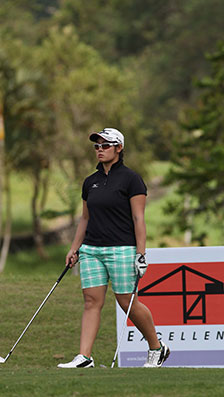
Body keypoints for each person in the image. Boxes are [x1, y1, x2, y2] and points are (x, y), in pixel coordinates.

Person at [58, 128, 170, 368]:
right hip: (92, 249)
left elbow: (139, 219)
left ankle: (156, 348)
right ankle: (84, 357)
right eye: (97, 146)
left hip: (122, 248)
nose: (100, 149)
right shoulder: (91, 182)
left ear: (119, 148)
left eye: (105, 145)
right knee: (91, 301)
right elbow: (85, 219)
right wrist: (74, 248)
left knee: (127, 301)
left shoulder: (131, 179)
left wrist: (141, 254)